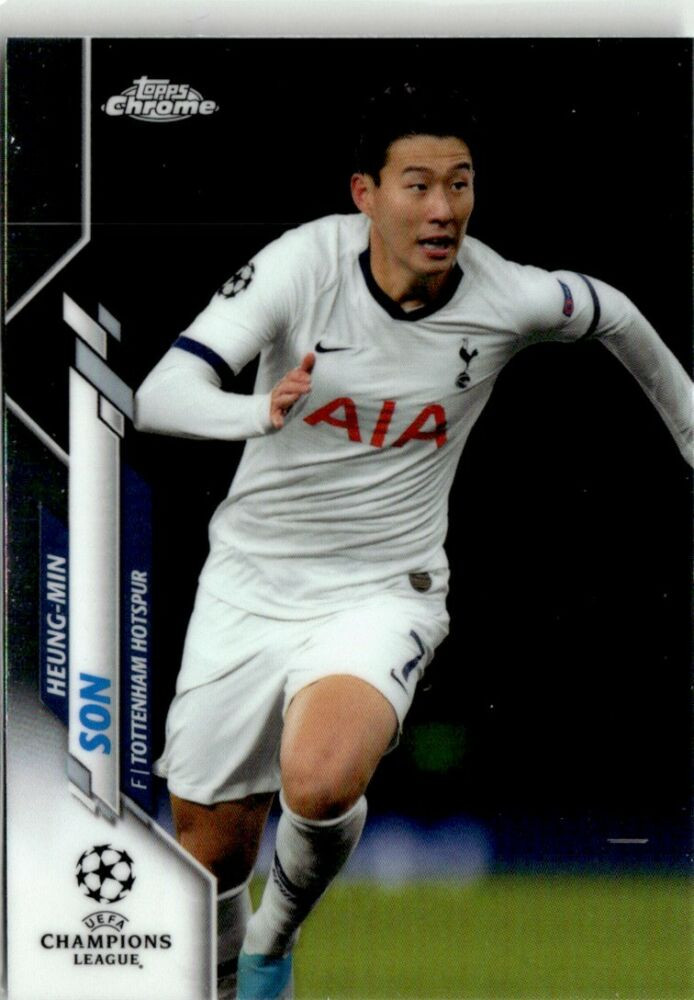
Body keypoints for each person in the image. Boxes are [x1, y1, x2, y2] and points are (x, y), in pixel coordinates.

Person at [134, 83, 693, 1000]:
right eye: (419, 185)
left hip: (384, 588)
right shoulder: (302, 266)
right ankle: (234, 979)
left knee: (320, 780)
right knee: (211, 853)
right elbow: (158, 395)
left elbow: (615, 311)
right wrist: (256, 412)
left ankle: (275, 941)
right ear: (366, 194)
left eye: (460, 184)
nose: (443, 209)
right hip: (249, 582)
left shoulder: (508, 294)